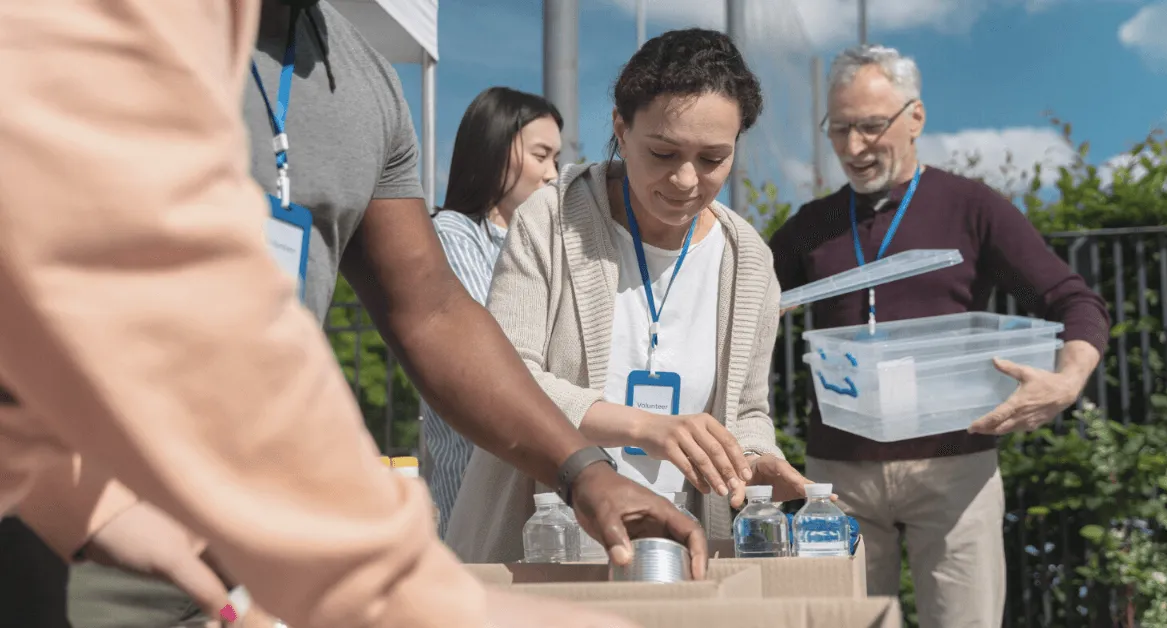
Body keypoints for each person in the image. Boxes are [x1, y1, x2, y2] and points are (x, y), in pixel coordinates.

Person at [0, 1, 698, 627]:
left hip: (256, 538)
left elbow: (433, 310)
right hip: (63, 522)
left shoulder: (364, 83)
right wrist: (385, 583)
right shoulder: (104, 27)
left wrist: (583, 469)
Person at [446, 28, 823, 564]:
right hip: (542, 540)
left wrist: (756, 458)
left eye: (714, 158)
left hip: (676, 549)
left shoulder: (749, 261)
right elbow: (504, 378)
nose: (686, 179)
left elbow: (746, 409)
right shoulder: (551, 221)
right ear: (621, 129)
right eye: (664, 152)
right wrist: (645, 427)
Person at [768, 44, 1110, 628]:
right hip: (838, 476)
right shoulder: (811, 223)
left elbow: (1073, 300)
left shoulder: (973, 207)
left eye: (872, 127)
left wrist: (1068, 379)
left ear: (916, 118)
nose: (853, 147)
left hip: (956, 470)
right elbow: (744, 311)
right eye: (840, 128)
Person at [423, 86, 563, 537]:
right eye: (541, 155)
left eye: (557, 160)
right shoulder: (453, 233)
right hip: (475, 475)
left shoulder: (544, 243)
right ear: (495, 148)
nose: (552, 174)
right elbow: (489, 341)